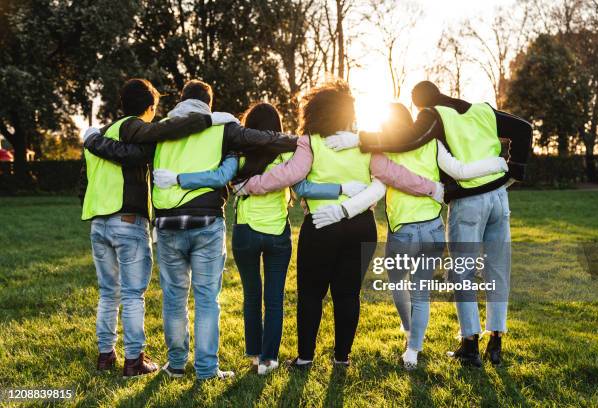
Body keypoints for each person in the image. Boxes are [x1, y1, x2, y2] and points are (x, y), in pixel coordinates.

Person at [85, 79, 299, 381]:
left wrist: (93, 139)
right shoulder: (221, 127)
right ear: (208, 104)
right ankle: (207, 369)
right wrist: (298, 140)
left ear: (181, 100)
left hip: (168, 224)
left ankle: (175, 365)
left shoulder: (161, 129)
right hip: (206, 222)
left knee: (174, 298)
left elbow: (127, 154)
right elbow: (262, 139)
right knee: (207, 298)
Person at [324, 81, 533, 367]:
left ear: (421, 105)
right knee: (498, 268)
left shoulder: (433, 115)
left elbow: (408, 138)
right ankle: (496, 341)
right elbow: (524, 130)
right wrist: (513, 170)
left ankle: (470, 345)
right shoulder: (483, 111)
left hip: (469, 201)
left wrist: (359, 138)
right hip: (498, 198)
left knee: (463, 273)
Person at [236, 81, 442, 369]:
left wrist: (250, 185)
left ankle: (306, 357)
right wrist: (431, 188)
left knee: (311, 294)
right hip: (361, 227)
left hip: (321, 227)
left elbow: (288, 175)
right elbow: (393, 173)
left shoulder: (310, 141)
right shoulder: (364, 143)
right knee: (347, 295)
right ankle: (342, 358)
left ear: (316, 111)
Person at [153, 102, 366, 375]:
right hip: (277, 233)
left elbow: (222, 177)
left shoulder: (239, 155)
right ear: (276, 128)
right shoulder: (287, 155)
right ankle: (270, 359)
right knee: (274, 299)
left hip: (246, 233)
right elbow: (302, 185)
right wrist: (339, 188)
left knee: (251, 296)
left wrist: (186, 179)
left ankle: (254, 356)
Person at [78, 78, 212, 378]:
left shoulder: (101, 134)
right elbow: (161, 132)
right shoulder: (131, 127)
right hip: (127, 221)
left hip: (98, 223)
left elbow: (126, 158)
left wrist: (94, 141)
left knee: (107, 292)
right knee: (132, 294)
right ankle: (134, 359)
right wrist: (201, 119)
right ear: (150, 108)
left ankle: (105, 355)